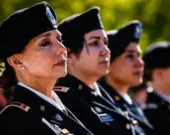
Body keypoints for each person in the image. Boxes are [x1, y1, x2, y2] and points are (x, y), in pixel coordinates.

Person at [0, 2, 93, 135]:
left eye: (59, 39)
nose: (61, 49)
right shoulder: (17, 119)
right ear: (16, 61)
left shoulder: (62, 105)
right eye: (45, 43)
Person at [55, 7, 137, 135]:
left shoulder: (103, 93)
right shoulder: (65, 102)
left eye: (105, 42)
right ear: (69, 55)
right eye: (94, 43)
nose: (106, 51)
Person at [98, 21, 156, 135]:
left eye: (139, 55)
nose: (140, 63)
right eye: (130, 56)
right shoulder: (104, 104)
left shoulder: (129, 103)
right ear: (108, 63)